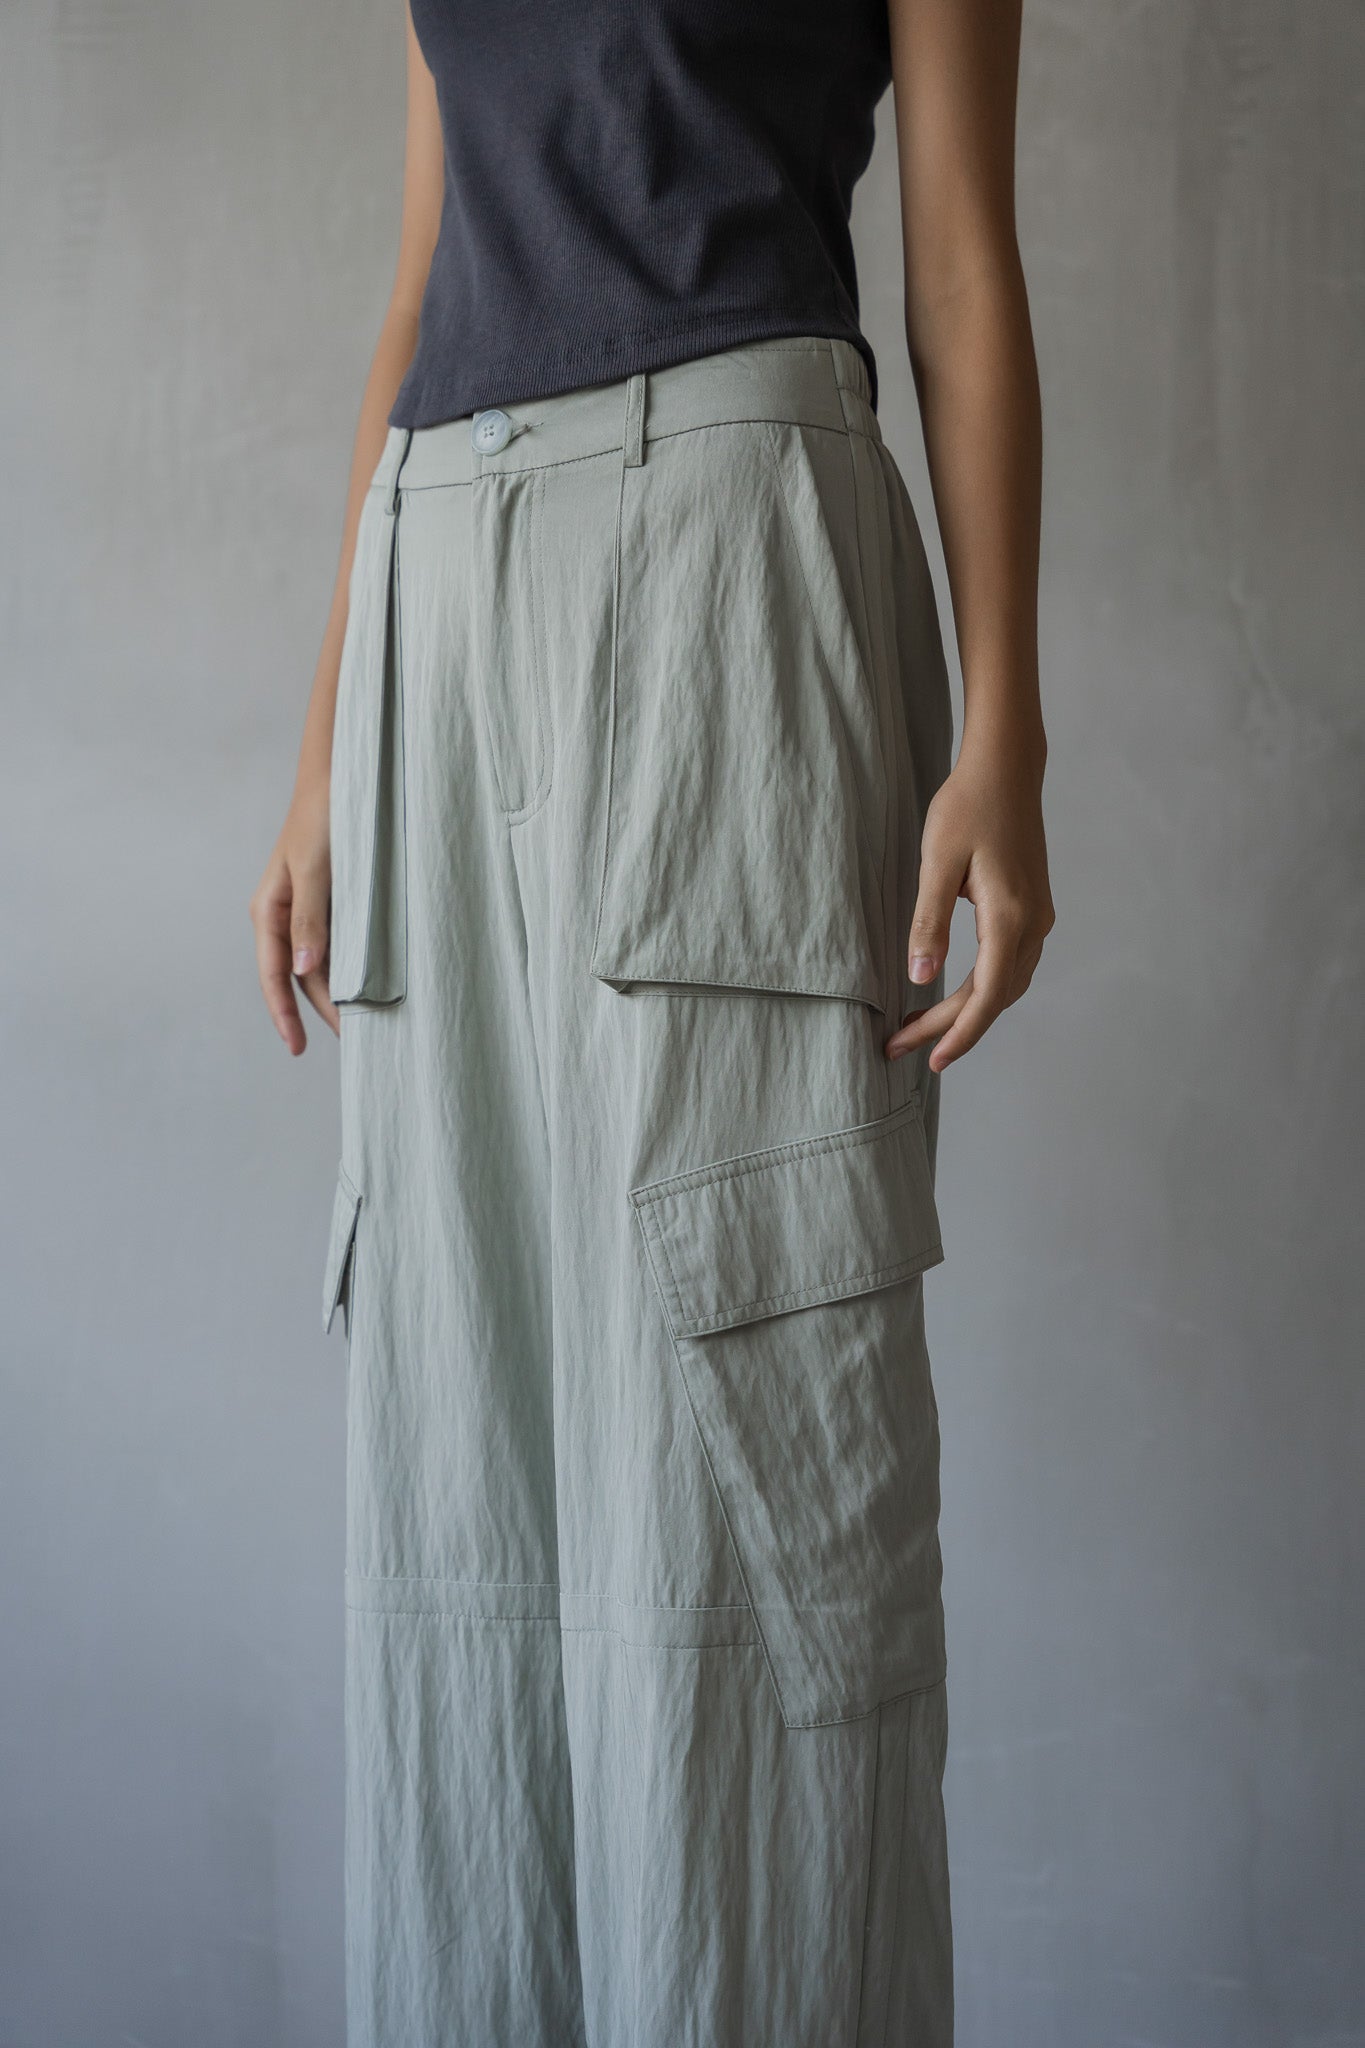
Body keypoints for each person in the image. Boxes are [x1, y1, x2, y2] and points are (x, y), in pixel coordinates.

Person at [250, 0, 1053, 2040]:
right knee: (462, 1445)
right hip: (440, 580)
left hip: (730, 551)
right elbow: (424, 276)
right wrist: (325, 749)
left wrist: (1007, 726)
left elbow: (959, 263)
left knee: (741, 1417)